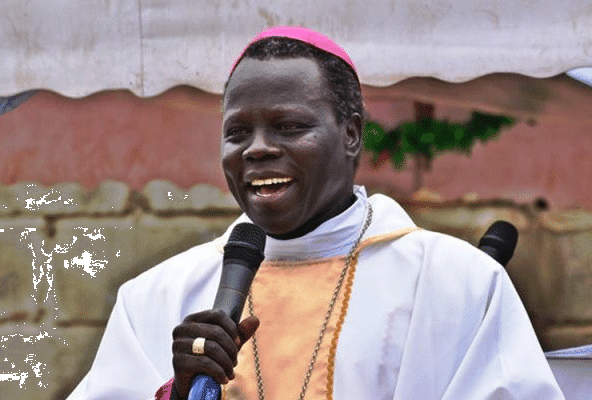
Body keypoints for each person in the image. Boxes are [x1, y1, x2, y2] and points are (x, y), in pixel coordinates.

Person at [68, 26, 564, 400]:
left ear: (351, 135)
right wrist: (176, 394)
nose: (257, 149)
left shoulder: (459, 284)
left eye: (288, 126)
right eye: (237, 133)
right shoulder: (155, 297)